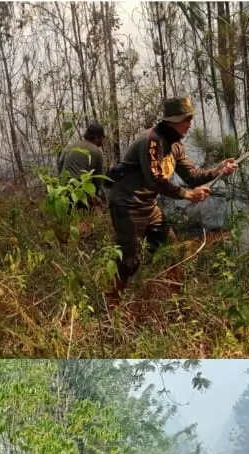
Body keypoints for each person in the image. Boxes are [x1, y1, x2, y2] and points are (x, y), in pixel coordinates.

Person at [103, 97, 239, 306]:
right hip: (128, 204)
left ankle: (178, 301)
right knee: (127, 261)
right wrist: (187, 195)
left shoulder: (176, 146)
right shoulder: (152, 140)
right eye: (187, 119)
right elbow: (155, 179)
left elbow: (192, 175)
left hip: (149, 206)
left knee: (172, 249)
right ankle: (111, 307)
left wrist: (217, 170)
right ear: (173, 120)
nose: (189, 125)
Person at [58, 122, 106, 207]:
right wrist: (95, 197)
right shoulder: (97, 152)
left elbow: (60, 164)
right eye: (101, 138)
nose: (102, 142)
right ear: (97, 137)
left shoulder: (71, 145)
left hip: (63, 191)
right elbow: (97, 180)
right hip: (80, 193)